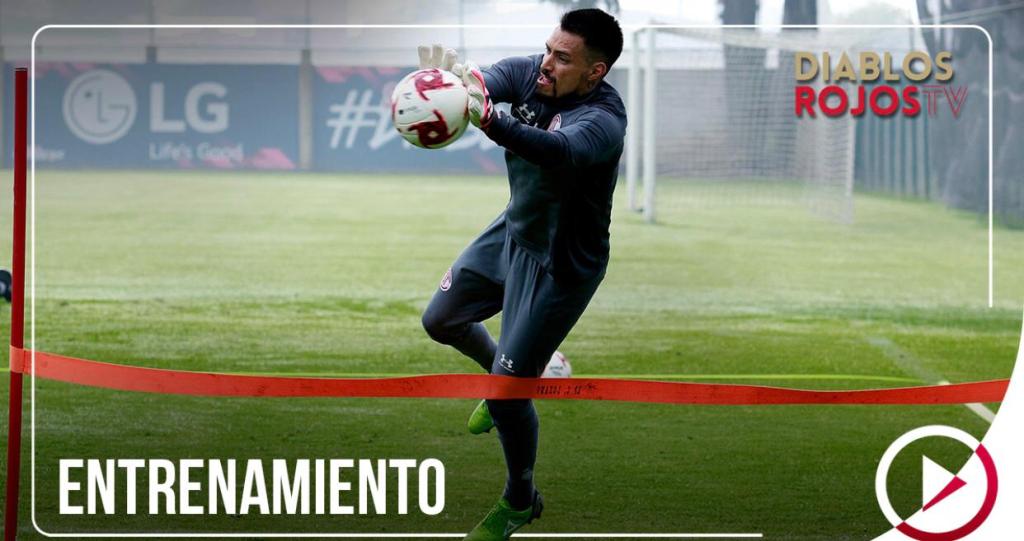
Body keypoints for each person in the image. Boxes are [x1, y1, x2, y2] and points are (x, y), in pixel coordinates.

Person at [419, 8, 625, 541]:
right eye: (548, 49)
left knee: (508, 396)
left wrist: (492, 121)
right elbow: (487, 80)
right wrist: (453, 86)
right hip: (512, 232)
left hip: (561, 265)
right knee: (440, 320)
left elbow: (558, 151)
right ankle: (512, 371)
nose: (547, 63)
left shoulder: (604, 120)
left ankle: (519, 499)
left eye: (563, 58)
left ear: (595, 72)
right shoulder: (533, 70)